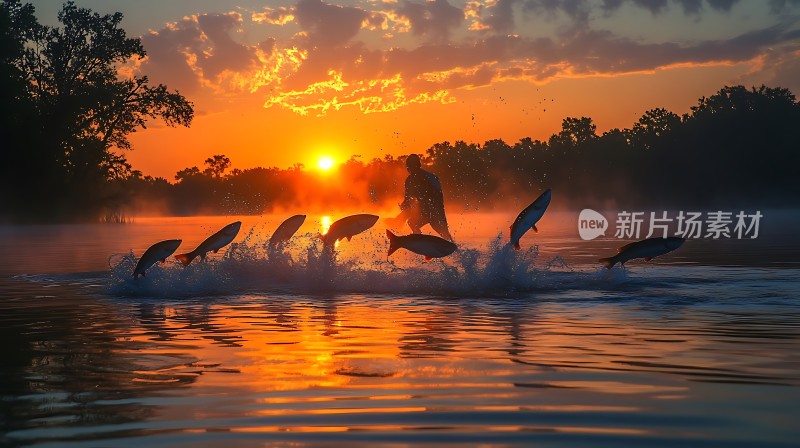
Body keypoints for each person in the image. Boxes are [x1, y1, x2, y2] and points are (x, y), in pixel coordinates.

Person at [390, 153, 453, 241]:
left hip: (431, 210)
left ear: (409, 167)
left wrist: (403, 208)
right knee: (446, 236)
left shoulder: (411, 179)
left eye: (409, 167)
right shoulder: (431, 176)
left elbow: (408, 200)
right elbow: (438, 195)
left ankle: (420, 242)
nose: (408, 169)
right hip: (438, 210)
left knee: (412, 223)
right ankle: (457, 251)